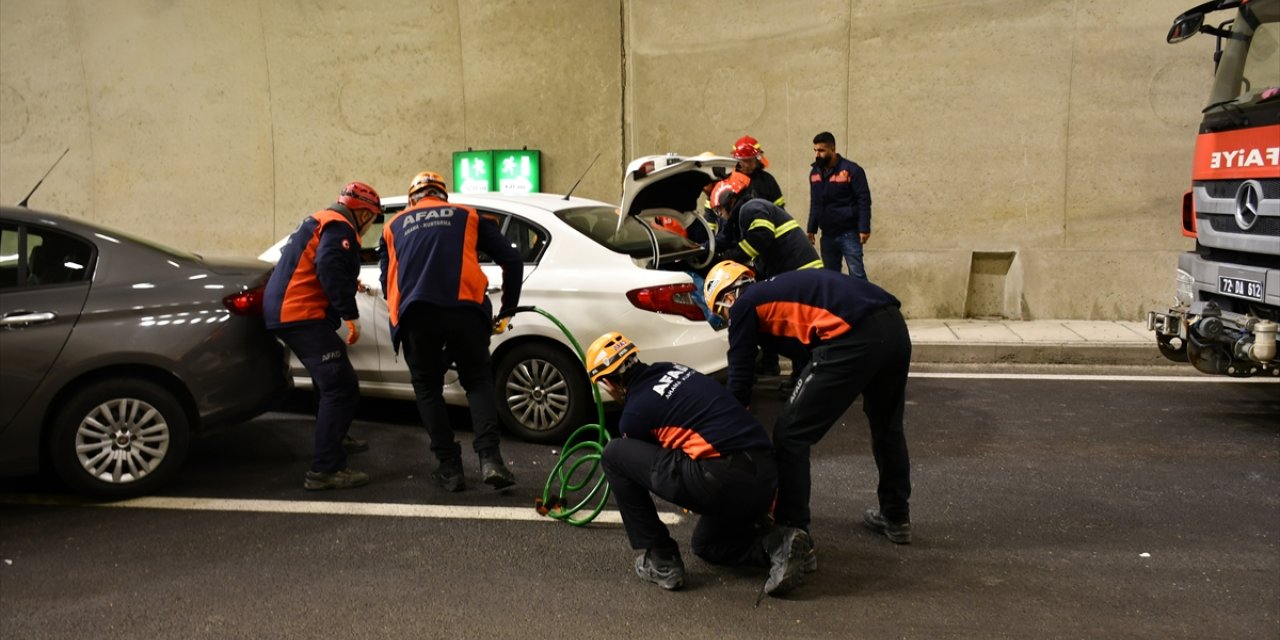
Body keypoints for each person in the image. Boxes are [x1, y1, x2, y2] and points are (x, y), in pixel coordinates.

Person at [703, 260, 913, 555]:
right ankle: (896, 516)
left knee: (790, 435)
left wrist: (724, 425)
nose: (728, 320)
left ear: (727, 296)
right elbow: (806, 346)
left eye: (722, 313)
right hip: (893, 326)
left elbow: (740, 376)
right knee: (887, 427)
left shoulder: (744, 304)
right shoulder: (776, 290)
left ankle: (792, 531)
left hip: (850, 335)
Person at [587, 331, 811, 596]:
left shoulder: (634, 413)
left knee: (614, 454)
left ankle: (661, 560)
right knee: (706, 545)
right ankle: (780, 545)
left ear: (608, 383)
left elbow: (647, 467)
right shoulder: (671, 368)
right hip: (766, 474)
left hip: (723, 480)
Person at [379, 170, 523, 492]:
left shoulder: (392, 226)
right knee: (477, 382)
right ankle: (491, 460)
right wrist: (508, 307)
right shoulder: (468, 216)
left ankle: (449, 468)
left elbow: (385, 281)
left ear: (410, 199)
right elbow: (512, 259)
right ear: (443, 195)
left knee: (428, 389)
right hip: (465, 312)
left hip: (417, 315)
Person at [264, 181, 382, 491]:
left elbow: (316, 264)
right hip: (299, 315)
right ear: (364, 214)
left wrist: (346, 281)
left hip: (285, 311)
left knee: (327, 382)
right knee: (341, 385)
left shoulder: (319, 218)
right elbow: (328, 265)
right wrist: (349, 314)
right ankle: (325, 469)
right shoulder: (341, 226)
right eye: (372, 218)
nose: (370, 226)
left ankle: (336, 437)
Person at [711, 173, 822, 383]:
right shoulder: (745, 214)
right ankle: (800, 376)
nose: (720, 216)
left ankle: (805, 378)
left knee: (799, 327)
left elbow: (761, 239)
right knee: (797, 327)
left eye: (719, 210)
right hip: (798, 273)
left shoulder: (751, 208)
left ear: (730, 200)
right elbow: (729, 238)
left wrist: (728, 256)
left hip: (801, 273)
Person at [807, 131, 873, 279]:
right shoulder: (814, 173)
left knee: (857, 275)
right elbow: (815, 202)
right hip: (827, 235)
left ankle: (864, 302)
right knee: (831, 277)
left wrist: (864, 228)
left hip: (849, 233)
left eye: (821, 150)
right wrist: (811, 228)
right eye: (815, 150)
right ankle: (836, 303)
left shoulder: (852, 170)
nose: (817, 154)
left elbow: (863, 199)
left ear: (833, 149)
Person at [732, 135, 785, 208]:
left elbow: (779, 209)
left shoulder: (767, 180)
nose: (747, 165)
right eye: (743, 161)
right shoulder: (728, 180)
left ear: (757, 159)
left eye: (750, 161)